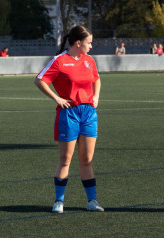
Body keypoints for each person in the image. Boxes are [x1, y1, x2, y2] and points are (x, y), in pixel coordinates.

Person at [34, 25, 104, 213]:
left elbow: (96, 79)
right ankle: (59, 201)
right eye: (89, 43)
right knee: (65, 159)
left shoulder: (89, 60)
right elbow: (39, 79)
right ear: (78, 43)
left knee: (87, 159)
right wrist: (56, 98)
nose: (91, 46)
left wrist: (96, 96)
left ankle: (92, 201)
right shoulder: (59, 61)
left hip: (89, 113)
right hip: (69, 113)